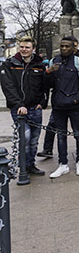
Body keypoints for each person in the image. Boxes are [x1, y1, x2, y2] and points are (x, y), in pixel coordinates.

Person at [0, 36, 47, 175]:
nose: (24, 50)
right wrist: (19, 104)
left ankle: (30, 164)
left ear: (33, 49)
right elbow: (8, 87)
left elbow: (44, 86)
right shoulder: (9, 64)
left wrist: (42, 102)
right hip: (19, 109)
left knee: (34, 140)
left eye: (27, 47)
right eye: (22, 47)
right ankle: (23, 165)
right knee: (25, 137)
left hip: (35, 108)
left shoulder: (39, 64)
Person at [45, 36, 79, 178]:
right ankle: (63, 164)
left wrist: (77, 99)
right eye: (62, 46)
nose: (64, 48)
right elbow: (48, 84)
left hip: (74, 105)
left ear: (73, 48)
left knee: (78, 134)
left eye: (67, 46)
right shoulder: (54, 61)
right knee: (61, 135)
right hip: (58, 105)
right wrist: (49, 72)